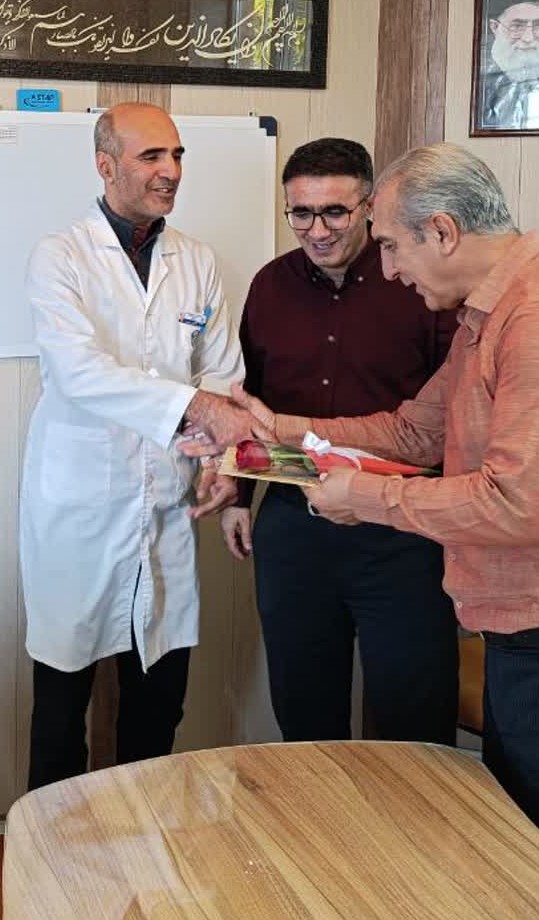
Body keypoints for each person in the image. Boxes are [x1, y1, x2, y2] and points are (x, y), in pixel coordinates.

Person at [203, 142, 539, 920]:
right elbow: (411, 431)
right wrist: (276, 428)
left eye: (392, 245)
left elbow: (515, 505)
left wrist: (364, 498)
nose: (389, 269)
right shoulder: (486, 319)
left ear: (442, 231)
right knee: (535, 890)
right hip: (534, 651)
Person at [194, 137, 459, 745]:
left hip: (400, 527)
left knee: (414, 714)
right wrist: (238, 496)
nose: (317, 231)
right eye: (301, 213)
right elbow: (248, 402)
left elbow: (451, 415)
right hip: (295, 523)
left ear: (368, 206)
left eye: (334, 212)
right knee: (304, 711)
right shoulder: (270, 286)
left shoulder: (418, 282)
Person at [19, 102, 251, 791]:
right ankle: (54, 842)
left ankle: (145, 834)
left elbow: (221, 371)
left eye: (177, 156)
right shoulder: (60, 256)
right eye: (152, 156)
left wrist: (221, 461)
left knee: (159, 697)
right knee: (62, 703)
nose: (170, 171)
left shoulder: (196, 261)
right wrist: (199, 410)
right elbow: (78, 372)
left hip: (167, 504)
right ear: (106, 165)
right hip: (81, 507)